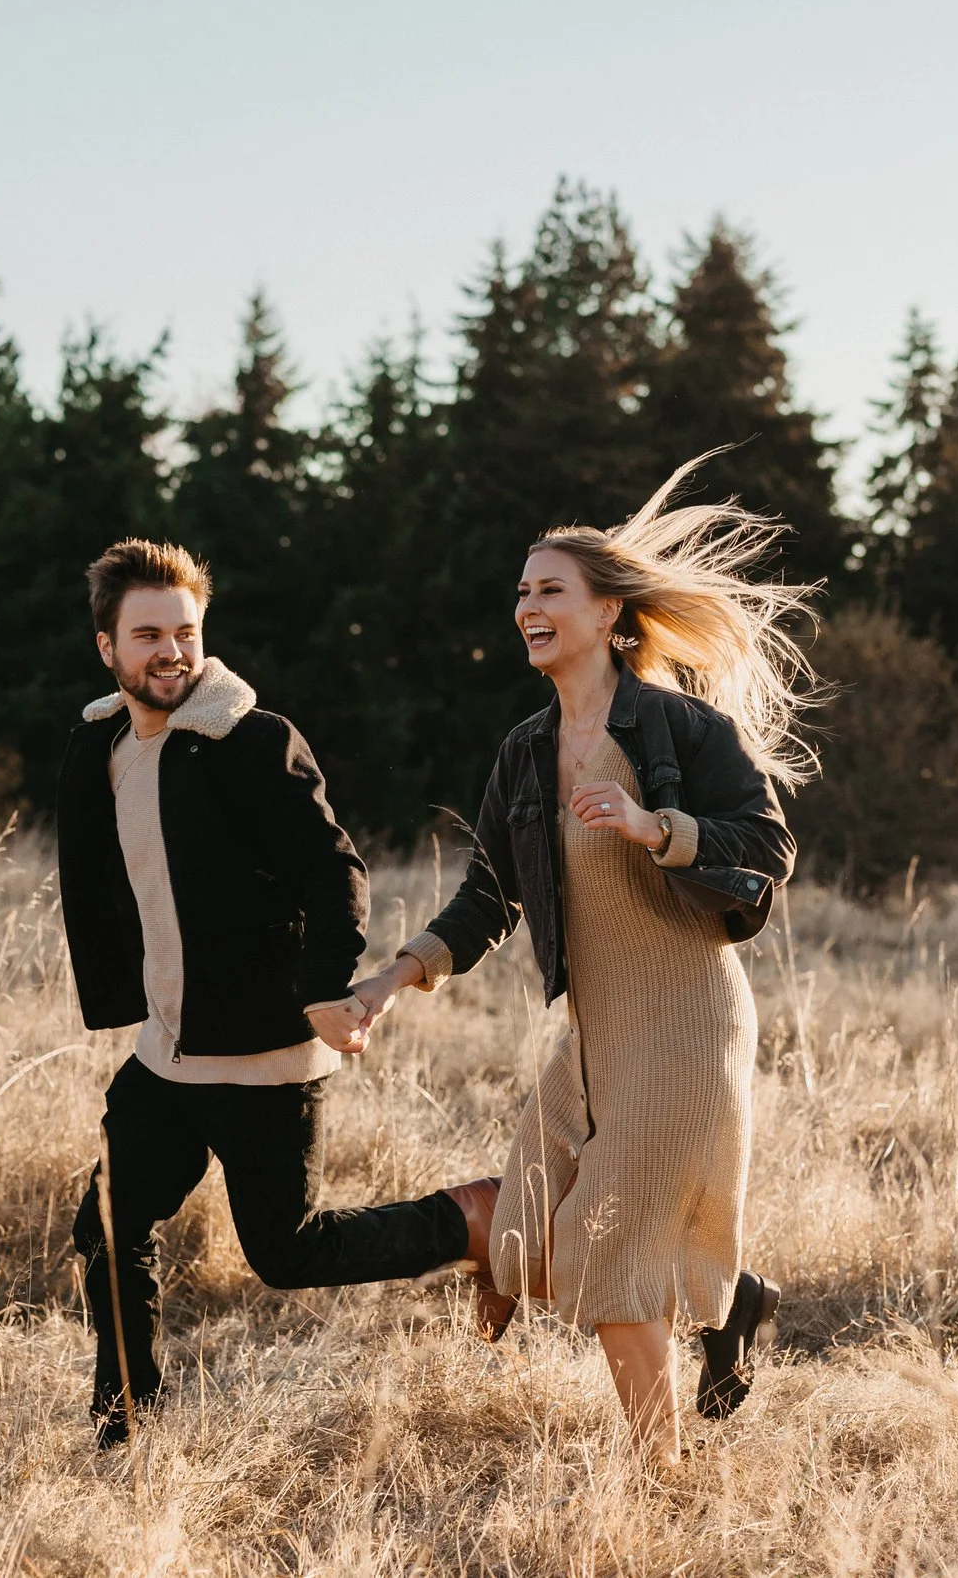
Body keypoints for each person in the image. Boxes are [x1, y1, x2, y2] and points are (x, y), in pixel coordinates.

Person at [346, 461, 810, 1466]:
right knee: (518, 1237)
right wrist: (393, 977)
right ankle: (734, 1301)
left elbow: (767, 844)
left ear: (609, 612)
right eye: (520, 591)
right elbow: (488, 896)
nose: (526, 605)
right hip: (596, 1031)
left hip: (686, 1020)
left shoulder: (679, 727)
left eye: (548, 587)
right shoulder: (522, 751)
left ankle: (661, 1477)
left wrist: (657, 826)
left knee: (606, 1257)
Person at [59, 538, 501, 1449]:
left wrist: (322, 990)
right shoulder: (102, 744)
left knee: (288, 1252)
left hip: (265, 1054)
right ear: (107, 646)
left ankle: (473, 1219)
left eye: (185, 632)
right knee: (107, 1224)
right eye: (147, 635)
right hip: (170, 1052)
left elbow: (333, 868)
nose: (171, 651)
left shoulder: (252, 739)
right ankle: (125, 1421)